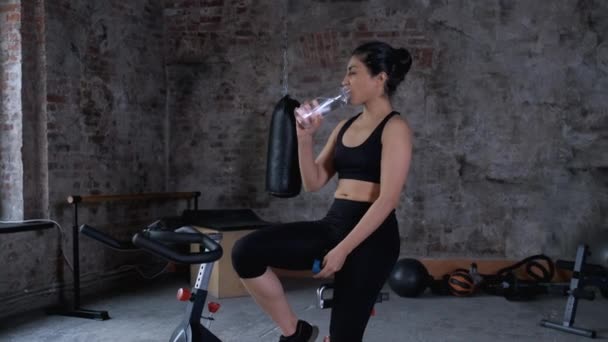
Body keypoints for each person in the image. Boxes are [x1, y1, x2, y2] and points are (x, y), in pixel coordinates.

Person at [232, 41, 414, 342]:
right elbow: (314, 181)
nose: (344, 81)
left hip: (373, 239)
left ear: (380, 78)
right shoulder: (344, 126)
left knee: (343, 336)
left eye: (352, 73)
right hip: (335, 225)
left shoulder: (396, 128)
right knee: (246, 252)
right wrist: (305, 138)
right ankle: (295, 333)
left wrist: (343, 250)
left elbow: (387, 200)